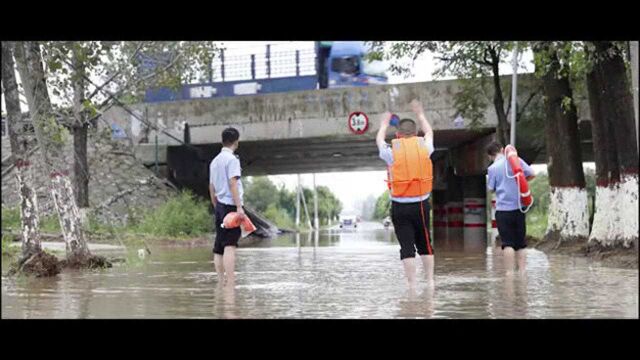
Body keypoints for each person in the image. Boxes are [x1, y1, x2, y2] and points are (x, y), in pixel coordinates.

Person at [376, 99, 435, 290]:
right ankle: (431, 282)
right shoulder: (425, 148)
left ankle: (411, 286)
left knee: (407, 247)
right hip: (421, 204)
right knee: (425, 244)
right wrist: (419, 113)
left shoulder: (392, 151)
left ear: (398, 135)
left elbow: (378, 141)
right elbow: (429, 132)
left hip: (400, 207)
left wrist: (384, 124)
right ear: (415, 133)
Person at [486, 142, 535, 275]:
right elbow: (531, 173)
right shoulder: (516, 161)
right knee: (521, 244)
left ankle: (509, 273)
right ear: (502, 150)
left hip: (503, 210)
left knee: (507, 244)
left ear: (490, 156)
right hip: (519, 208)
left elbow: (491, 189)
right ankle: (523, 272)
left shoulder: (493, 168)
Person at [209, 127, 245, 286]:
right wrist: (239, 208)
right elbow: (233, 183)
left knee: (219, 245)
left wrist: (215, 205)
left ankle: (220, 281)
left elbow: (211, 186)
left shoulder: (214, 161)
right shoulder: (232, 160)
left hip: (219, 206)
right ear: (236, 141)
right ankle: (230, 283)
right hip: (230, 206)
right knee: (230, 245)